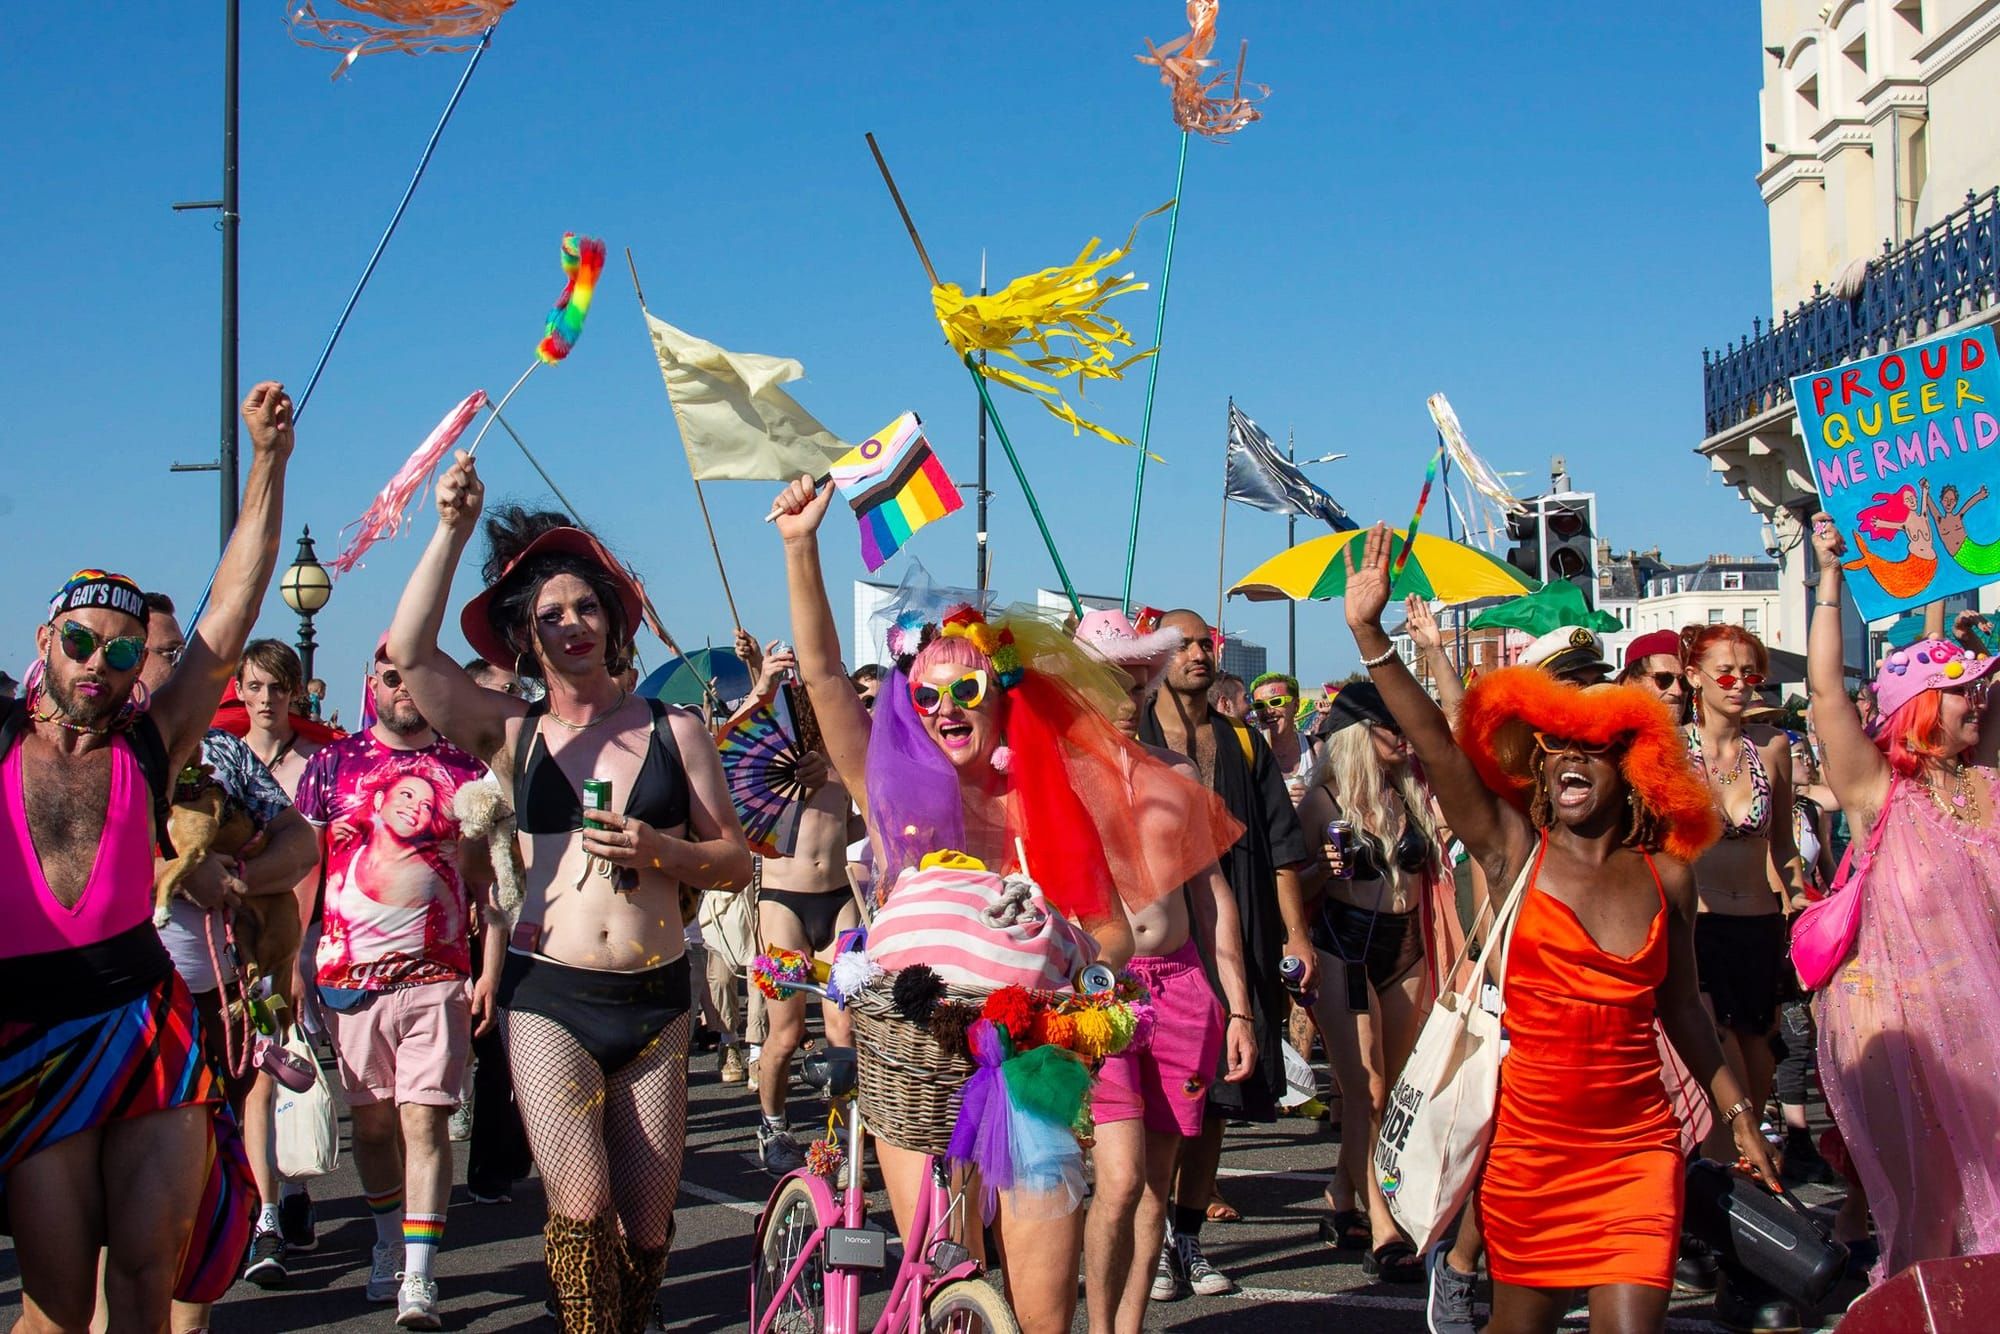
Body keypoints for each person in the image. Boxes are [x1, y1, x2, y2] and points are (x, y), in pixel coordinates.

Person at [769, 478, 1236, 1334]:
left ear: (1003, 695)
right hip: (917, 1058)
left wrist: (1083, 971)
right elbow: (827, 677)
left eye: (968, 692)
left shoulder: (1050, 800)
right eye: (928, 695)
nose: (946, 709)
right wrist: (802, 548)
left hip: (1029, 1060)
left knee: (1042, 1306)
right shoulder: (889, 793)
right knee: (940, 1275)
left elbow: (1109, 931)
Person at [1342, 523, 1777, 1334]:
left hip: (1639, 1152)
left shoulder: (1667, 876)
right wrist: (1372, 639)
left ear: (1635, 766)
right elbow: (1441, 749)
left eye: (1593, 747)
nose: (1570, 758)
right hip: (1531, 1157)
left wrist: (1738, 1115)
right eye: (1555, 746)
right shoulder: (1515, 852)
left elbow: (1684, 1009)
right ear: (1538, 762)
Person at [390, 454, 752, 1334]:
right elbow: (410, 654)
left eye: (586, 606)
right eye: (549, 615)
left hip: (656, 999)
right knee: (582, 1207)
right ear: (526, 637)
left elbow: (735, 862)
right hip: (548, 993)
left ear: (613, 618)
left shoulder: (676, 729)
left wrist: (664, 848)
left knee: (648, 1225)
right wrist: (450, 530)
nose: (572, 624)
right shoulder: (513, 732)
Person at [0, 382, 294, 1332]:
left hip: (144, 1018)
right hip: (27, 1032)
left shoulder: (149, 744)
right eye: (80, 643)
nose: (99, 664)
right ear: (45, 641)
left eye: (123, 654)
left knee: (145, 1283)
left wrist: (268, 461)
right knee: (55, 1306)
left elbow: (232, 612)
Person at [1805, 513, 2000, 1281]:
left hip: (1981, 1026)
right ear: (1919, 706)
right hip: (1896, 1029)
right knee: (1930, 1208)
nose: (1975, 701)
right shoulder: (1879, 792)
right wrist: (1828, 577)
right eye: (1958, 693)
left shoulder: (1989, 788)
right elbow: (1825, 692)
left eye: (1978, 689)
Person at [1071, 611, 1256, 1334]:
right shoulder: (1055, 773)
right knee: (1117, 1181)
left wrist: (1238, 1007)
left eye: (1136, 679)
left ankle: (1126, 1328)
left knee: (1155, 1186)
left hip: (1181, 988)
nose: (1126, 695)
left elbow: (1213, 899)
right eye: (1109, 679)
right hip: (1100, 991)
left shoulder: (1177, 773)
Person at [292, 640, 485, 1329]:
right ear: (372, 682)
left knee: (424, 1120)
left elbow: (488, 877)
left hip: (438, 972)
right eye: (391, 676)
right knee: (372, 1126)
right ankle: (386, 1244)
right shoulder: (330, 765)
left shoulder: (467, 770)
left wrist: (490, 965)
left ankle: (420, 1274)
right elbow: (304, 867)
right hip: (349, 978)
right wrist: (293, 956)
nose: (404, 688)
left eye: (414, 676)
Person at [142, 617, 321, 1304]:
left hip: (222, 993)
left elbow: (299, 842)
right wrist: (175, 871)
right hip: (121, 1004)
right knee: (130, 1201)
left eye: (175, 652)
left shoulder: (224, 754)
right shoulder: (92, 752)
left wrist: (236, 878)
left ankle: (262, 1222)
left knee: (207, 1168)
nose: (181, 664)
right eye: (166, 653)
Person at [1137, 610, 1312, 1298]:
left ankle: (1187, 1237)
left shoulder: (1242, 740)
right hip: (1164, 937)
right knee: (1158, 1097)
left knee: (1221, 1095)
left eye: (1205, 642)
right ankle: (1152, 1240)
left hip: (1240, 928)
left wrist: (1296, 935)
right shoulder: (1135, 735)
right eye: (1181, 644)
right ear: (1157, 655)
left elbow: (1284, 848)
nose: (1198, 653)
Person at [1294, 683, 1455, 1284]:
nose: (1404, 736)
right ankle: (1383, 1221)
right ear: (1360, 733)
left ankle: (1342, 1191)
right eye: (1392, 726)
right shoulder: (1324, 801)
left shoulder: (1412, 792)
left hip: (1406, 946)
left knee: (1393, 1089)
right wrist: (1322, 867)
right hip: (1345, 946)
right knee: (1367, 1088)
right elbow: (1291, 889)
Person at [727, 630, 860, 1175]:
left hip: (840, 900)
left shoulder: (845, 752)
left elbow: (856, 822)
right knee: (785, 1032)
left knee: (844, 1029)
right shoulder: (771, 752)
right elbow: (730, 747)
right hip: (783, 903)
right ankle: (774, 1124)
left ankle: (844, 1132)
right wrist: (761, 679)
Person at [1680, 623, 1802, 1166]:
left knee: (1756, 1077)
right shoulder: (1670, 747)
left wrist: (1800, 903)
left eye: (1749, 674)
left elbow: (1784, 846)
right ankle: (1723, 1185)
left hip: (1760, 925)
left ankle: (1738, 1192)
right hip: (1697, 927)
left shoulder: (1772, 748)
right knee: (1724, 1080)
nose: (1739, 684)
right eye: (1725, 673)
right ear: (1695, 677)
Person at [457, 656, 534, 1207]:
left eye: (518, 688)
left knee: (510, 1050)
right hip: (473, 925)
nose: (516, 697)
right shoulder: (462, 765)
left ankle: (506, 1157)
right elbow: (473, 866)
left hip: (525, 923)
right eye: (504, 690)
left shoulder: (523, 755)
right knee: (490, 1048)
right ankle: (489, 1161)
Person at [1248, 670, 1319, 800]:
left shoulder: (1316, 749)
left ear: (1296, 706)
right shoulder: (1249, 752)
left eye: (1276, 702)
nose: (1268, 711)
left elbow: (1338, 799)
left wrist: (1313, 799)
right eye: (1259, 705)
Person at [1619, 628, 1690, 724]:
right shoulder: (1608, 731)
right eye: (1664, 679)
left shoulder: (1699, 732)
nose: (1678, 691)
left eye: (1684, 681)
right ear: (1632, 681)